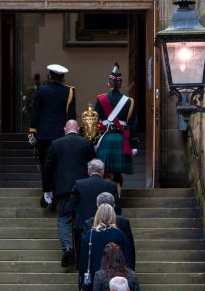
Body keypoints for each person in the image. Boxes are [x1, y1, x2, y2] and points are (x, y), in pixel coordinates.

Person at [43, 120, 95, 267]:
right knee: (83, 219)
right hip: (83, 188)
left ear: (65, 129)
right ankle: (83, 250)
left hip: (63, 188)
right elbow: (94, 165)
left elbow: (47, 168)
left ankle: (68, 247)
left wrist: (47, 190)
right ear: (78, 129)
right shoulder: (86, 143)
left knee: (64, 218)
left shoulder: (55, 144)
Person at [28, 64, 76, 209]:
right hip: (62, 135)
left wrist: (32, 130)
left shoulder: (41, 90)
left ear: (49, 75)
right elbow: (71, 115)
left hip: (44, 134)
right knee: (60, 165)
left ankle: (47, 194)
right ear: (63, 77)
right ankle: (58, 194)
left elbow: (35, 112)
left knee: (46, 165)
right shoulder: (69, 92)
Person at [77, 204, 131, 291]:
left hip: (96, 277)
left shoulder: (89, 235)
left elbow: (83, 261)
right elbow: (127, 259)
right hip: (116, 277)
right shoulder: (120, 235)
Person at [93, 63, 138, 191]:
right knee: (118, 175)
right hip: (121, 140)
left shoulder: (100, 99)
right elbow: (132, 125)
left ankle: (105, 199)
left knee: (106, 172)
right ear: (121, 84)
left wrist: (93, 141)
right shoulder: (129, 101)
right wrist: (134, 145)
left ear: (109, 84)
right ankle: (117, 199)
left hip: (105, 139)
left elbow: (96, 122)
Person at [66, 159, 121, 257]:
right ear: (102, 171)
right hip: (105, 224)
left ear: (88, 171)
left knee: (83, 252)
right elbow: (116, 208)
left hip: (83, 225)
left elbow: (71, 206)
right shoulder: (111, 185)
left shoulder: (79, 184)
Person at [83, 191, 136, 270]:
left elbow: (84, 251)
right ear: (114, 206)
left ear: (97, 205)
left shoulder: (89, 223)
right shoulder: (123, 222)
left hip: (95, 267)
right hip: (118, 269)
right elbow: (129, 248)